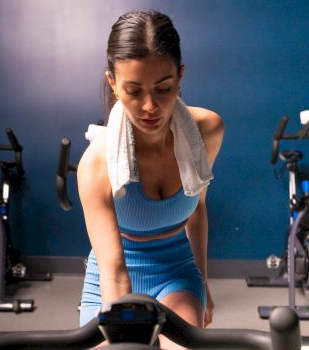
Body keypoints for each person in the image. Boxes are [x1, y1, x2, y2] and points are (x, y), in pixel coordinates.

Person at [77, 10, 224, 348]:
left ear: (180, 76)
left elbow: (197, 208)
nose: (149, 106)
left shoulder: (208, 131)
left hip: (176, 274)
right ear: (113, 83)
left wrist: (203, 284)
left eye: (163, 89)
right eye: (133, 91)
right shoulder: (96, 165)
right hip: (110, 279)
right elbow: (115, 273)